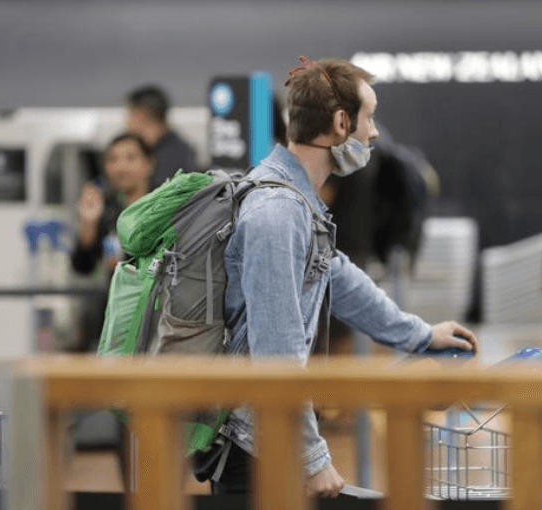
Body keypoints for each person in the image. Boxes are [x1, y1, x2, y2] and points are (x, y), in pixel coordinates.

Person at [197, 56, 479, 497]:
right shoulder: (278, 212)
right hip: (254, 448)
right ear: (341, 122)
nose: (375, 132)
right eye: (369, 117)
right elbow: (278, 354)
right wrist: (313, 458)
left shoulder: (297, 200)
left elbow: (341, 279)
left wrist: (420, 335)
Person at [71, 132, 155, 351]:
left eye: (130, 158)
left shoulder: (163, 210)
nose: (121, 166)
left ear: (149, 164)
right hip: (112, 322)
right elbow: (83, 266)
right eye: (112, 159)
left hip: (154, 320)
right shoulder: (106, 210)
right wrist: (88, 222)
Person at [125, 85, 196, 188]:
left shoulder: (171, 157)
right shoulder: (177, 148)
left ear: (140, 114)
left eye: (129, 114)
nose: (126, 123)